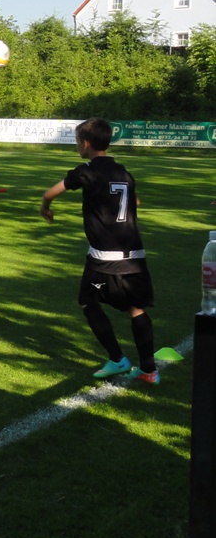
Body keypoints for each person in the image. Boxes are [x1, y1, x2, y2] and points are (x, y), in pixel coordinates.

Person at [40, 117, 159, 384]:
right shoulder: (123, 171)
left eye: (76, 141)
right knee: (136, 308)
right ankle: (149, 370)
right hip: (135, 255)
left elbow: (50, 193)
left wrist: (44, 207)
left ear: (86, 143)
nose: (76, 146)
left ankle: (117, 359)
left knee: (88, 301)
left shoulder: (86, 171)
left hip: (104, 258)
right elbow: (136, 201)